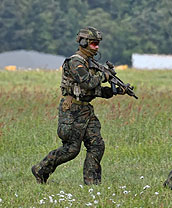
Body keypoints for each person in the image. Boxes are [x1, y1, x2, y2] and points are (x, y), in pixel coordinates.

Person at [31, 26, 124, 185]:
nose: (97, 47)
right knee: (71, 150)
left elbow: (94, 91)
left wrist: (114, 91)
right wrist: (105, 75)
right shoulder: (75, 61)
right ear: (83, 42)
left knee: (97, 146)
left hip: (86, 109)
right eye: (93, 43)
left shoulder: (90, 62)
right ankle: (41, 169)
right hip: (72, 110)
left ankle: (92, 184)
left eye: (98, 44)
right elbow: (87, 82)